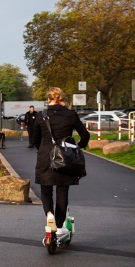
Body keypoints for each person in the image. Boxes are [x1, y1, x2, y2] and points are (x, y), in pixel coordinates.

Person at [32, 86, 89, 244]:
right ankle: (58, 225)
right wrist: (79, 146)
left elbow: (34, 139)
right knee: (62, 192)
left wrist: (42, 149)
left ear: (48, 100)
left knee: (46, 189)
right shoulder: (71, 114)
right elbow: (85, 135)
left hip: (45, 156)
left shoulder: (41, 115)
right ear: (62, 99)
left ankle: (49, 215)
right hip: (64, 157)